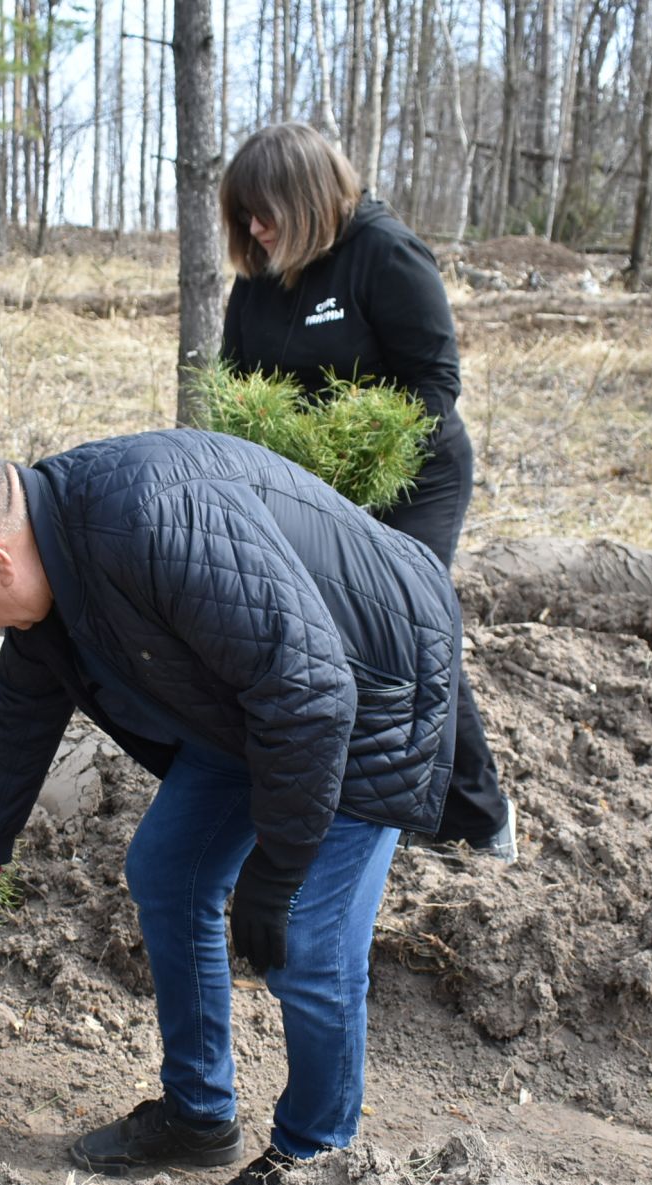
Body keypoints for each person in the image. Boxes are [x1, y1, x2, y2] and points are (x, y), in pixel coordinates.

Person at [0, 429, 463, 1185]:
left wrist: (278, 869)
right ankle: (199, 1115)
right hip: (260, 700)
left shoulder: (144, 521)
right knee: (168, 868)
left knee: (310, 937)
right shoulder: (58, 560)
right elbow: (20, 712)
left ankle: (317, 1158)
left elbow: (310, 692)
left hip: (374, 686)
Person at [218, 122, 515, 861]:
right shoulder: (257, 273)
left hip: (412, 474)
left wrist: (358, 453)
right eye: (244, 215)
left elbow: (435, 385)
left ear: (310, 198)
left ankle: (478, 814)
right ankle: (362, 792)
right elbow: (236, 387)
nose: (255, 230)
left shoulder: (384, 253)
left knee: (409, 631)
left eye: (267, 212)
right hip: (311, 488)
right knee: (322, 637)